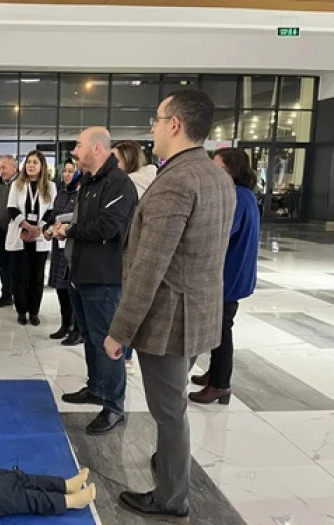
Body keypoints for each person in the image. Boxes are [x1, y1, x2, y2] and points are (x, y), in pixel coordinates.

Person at [103, 90, 236, 519]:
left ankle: (171, 497)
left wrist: (120, 331)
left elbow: (149, 268)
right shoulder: (216, 175)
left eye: (157, 120)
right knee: (173, 402)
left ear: (174, 124)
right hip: (199, 312)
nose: (152, 128)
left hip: (169, 321)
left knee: (169, 410)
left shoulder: (176, 181)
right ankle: (170, 462)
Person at [54, 128, 137, 435]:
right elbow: (83, 221)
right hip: (81, 273)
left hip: (104, 277)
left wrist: (69, 231)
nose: (75, 151)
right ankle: (97, 388)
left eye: (79, 145)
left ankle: (114, 406)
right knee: (89, 337)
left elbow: (107, 227)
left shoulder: (119, 183)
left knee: (106, 343)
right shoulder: (89, 181)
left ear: (98, 149)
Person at [189, 147, 260, 404]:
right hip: (233, 272)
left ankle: (220, 384)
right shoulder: (244, 194)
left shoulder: (236, 196)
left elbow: (222, 231)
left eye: (217, 167)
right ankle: (215, 372)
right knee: (219, 326)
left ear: (231, 170)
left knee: (221, 328)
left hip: (228, 274)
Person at [110, 140, 158, 374]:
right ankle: (125, 354)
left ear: (128, 160)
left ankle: (124, 355)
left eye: (115, 159)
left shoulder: (130, 184)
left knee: (124, 305)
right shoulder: (149, 182)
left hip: (131, 251)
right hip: (133, 250)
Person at [6, 150, 57, 326]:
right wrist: (27, 226)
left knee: (37, 277)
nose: (31, 165)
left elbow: (51, 210)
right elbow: (11, 208)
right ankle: (21, 311)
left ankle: (34, 311)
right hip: (20, 233)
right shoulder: (17, 185)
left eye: (35, 162)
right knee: (19, 276)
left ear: (42, 166)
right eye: (28, 162)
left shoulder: (50, 186)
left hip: (39, 236)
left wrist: (38, 228)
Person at [44, 159, 81, 346]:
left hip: (72, 248)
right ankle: (65, 324)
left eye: (71, 171)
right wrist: (47, 229)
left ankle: (77, 329)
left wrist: (62, 225)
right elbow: (53, 216)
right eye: (65, 171)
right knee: (60, 288)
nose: (67, 174)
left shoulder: (81, 194)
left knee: (72, 290)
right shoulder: (61, 193)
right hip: (58, 248)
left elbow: (77, 219)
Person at [0, 154, 18, 308]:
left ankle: (19, 295)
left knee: (17, 266)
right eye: (0, 167)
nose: (1, 170)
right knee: (3, 265)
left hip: (17, 233)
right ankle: (6, 295)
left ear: (14, 168)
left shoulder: (22, 184)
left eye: (4, 167)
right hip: (2, 231)